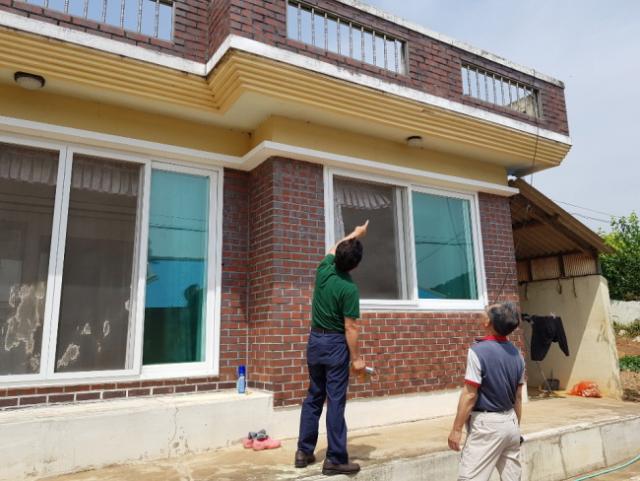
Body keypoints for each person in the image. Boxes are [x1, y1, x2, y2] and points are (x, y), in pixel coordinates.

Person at [295, 220, 369, 476]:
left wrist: (355, 233)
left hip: (315, 341)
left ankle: (303, 451)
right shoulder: (349, 288)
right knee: (335, 400)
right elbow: (351, 327)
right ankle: (335, 458)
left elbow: (334, 248)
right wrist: (356, 359)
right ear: (355, 265)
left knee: (314, 395)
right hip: (335, 344)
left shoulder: (324, 269)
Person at [448, 302, 525, 481]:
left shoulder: (478, 351)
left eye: (486, 311)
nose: (483, 311)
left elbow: (470, 394)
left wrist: (456, 430)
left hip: (487, 427)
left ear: (487, 322)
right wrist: (515, 427)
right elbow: (518, 398)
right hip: (511, 423)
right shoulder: (517, 354)